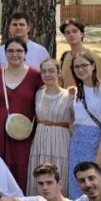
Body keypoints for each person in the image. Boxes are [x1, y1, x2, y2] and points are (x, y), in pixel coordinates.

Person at [0, 38, 38, 188]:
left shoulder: (35, 76)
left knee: (21, 163)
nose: (15, 54)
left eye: (19, 51)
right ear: (5, 53)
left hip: (22, 131)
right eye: (10, 51)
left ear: (25, 53)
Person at [68, 52, 101, 193]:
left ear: (93, 66)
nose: (80, 69)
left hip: (97, 142)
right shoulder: (78, 91)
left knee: (97, 182)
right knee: (78, 182)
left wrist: (100, 152)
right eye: (76, 67)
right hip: (78, 143)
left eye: (84, 65)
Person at [29, 58, 74, 193]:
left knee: (59, 171)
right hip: (40, 140)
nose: (47, 75)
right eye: (44, 72)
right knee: (40, 169)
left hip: (60, 140)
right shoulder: (38, 94)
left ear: (59, 73)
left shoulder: (69, 96)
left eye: (51, 71)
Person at [58, 19, 101, 87]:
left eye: (74, 31)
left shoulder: (93, 57)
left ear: (82, 34)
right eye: (67, 33)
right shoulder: (65, 57)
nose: (71, 34)